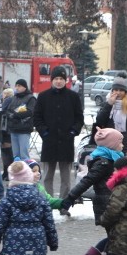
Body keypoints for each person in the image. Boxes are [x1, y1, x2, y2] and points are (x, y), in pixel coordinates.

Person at [62, 127, 125, 255]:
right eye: (120, 142)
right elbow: (87, 181)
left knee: (114, 236)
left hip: (113, 203)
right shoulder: (104, 162)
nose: (123, 145)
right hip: (106, 204)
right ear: (111, 145)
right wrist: (70, 198)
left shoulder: (113, 159)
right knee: (115, 237)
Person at [33, 66, 84, 198]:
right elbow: (37, 117)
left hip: (66, 141)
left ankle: (64, 202)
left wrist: (73, 131)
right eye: (56, 78)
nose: (58, 81)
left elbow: (79, 117)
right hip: (49, 141)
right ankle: (48, 202)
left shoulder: (73, 97)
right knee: (47, 176)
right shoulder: (43, 96)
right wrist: (44, 132)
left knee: (66, 177)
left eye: (61, 78)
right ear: (52, 80)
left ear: (66, 80)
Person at [95, 75, 127, 152]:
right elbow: (99, 121)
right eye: (116, 90)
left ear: (125, 92)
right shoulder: (107, 104)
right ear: (112, 91)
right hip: (109, 143)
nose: (118, 93)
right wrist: (109, 104)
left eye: (121, 90)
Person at [5, 79, 37, 161]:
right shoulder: (14, 97)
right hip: (14, 129)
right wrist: (10, 115)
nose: (17, 88)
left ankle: (25, 172)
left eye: (19, 86)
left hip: (24, 129)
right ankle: (17, 172)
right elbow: (8, 110)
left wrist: (15, 115)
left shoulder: (31, 98)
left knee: (24, 155)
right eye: (16, 86)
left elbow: (30, 112)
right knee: (16, 156)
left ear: (25, 87)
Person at [0, 87, 14, 180]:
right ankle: (7, 172)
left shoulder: (7, 100)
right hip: (8, 128)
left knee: (6, 151)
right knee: (8, 150)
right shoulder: (13, 100)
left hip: (5, 128)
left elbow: (2, 111)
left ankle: (6, 172)